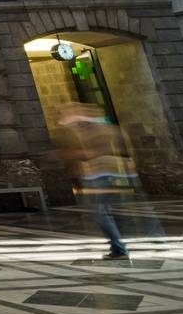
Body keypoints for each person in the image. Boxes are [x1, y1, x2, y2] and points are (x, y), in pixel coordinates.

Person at [53, 102, 136, 260]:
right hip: (101, 174)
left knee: (101, 213)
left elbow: (90, 153)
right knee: (107, 212)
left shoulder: (99, 131)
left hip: (101, 174)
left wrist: (69, 153)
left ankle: (119, 248)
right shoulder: (100, 129)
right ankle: (118, 246)